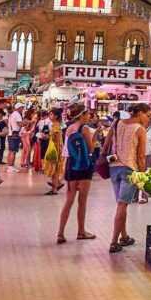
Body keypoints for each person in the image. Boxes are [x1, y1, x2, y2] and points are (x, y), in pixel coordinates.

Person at [108, 102, 151, 254]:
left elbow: (107, 142)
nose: (148, 119)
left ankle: (124, 236)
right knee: (122, 206)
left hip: (114, 168)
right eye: (148, 115)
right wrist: (143, 177)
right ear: (139, 113)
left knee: (122, 204)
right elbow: (141, 157)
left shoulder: (118, 123)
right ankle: (114, 242)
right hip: (129, 169)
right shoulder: (140, 129)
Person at [57, 104, 96, 244]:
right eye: (87, 114)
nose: (89, 116)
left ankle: (60, 233)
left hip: (71, 165)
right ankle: (81, 231)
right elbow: (91, 148)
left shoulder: (69, 129)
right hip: (84, 166)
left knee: (69, 200)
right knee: (82, 201)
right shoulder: (84, 129)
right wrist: (95, 137)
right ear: (81, 115)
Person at [43, 108, 65, 194]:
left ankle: (54, 189)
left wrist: (47, 136)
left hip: (55, 149)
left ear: (56, 116)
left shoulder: (55, 125)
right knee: (54, 169)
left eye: (51, 114)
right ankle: (57, 184)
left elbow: (55, 138)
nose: (50, 116)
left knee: (54, 169)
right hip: (56, 148)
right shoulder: (56, 124)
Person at [6, 104, 23, 172]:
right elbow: (20, 124)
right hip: (15, 134)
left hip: (11, 134)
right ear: (18, 108)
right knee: (13, 151)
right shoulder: (17, 114)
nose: (22, 109)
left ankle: (10, 166)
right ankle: (10, 167)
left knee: (10, 151)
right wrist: (27, 123)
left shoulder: (12, 114)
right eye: (22, 107)